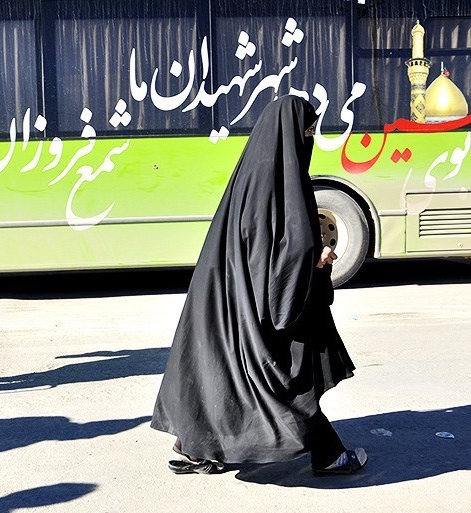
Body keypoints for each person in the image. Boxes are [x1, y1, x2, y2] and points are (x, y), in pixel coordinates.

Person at [151, 95, 366, 476]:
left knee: (220, 367)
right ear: (291, 134)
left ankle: (197, 448)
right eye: (308, 131)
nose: (310, 139)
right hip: (256, 300)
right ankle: (329, 454)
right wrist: (316, 261)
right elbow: (288, 252)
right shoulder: (287, 184)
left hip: (220, 296)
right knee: (287, 377)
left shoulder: (250, 172)